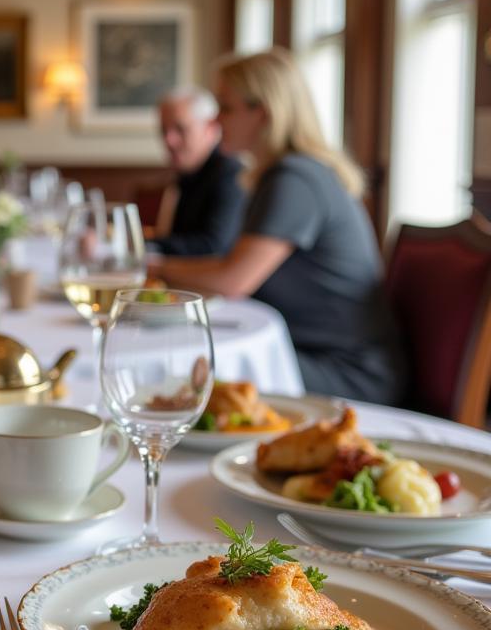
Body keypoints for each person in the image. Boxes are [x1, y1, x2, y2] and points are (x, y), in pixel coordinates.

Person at [154, 48, 407, 405]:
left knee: (180, 366)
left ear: (263, 112)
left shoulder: (295, 180)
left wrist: (153, 267)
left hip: (346, 372)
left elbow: (233, 280)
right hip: (311, 353)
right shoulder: (286, 174)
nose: (216, 121)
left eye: (225, 107)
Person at [149, 86, 246, 256]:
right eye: (164, 130)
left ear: (210, 128)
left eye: (180, 129)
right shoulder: (186, 175)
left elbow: (212, 246)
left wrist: (139, 246)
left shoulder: (230, 174)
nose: (168, 140)